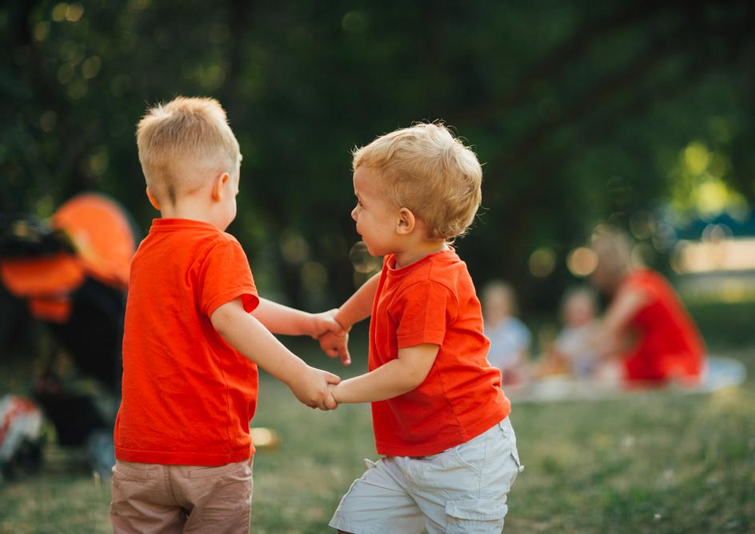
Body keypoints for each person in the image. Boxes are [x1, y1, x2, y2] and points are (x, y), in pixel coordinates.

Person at [111, 97, 343, 533]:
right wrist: (299, 374)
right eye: (235, 189)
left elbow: (239, 306)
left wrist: (310, 322)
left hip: (138, 457)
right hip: (209, 454)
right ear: (222, 186)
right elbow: (231, 318)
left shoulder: (146, 254)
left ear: (151, 195)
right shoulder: (217, 247)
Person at [318, 123, 523, 534]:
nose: (354, 213)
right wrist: (342, 318)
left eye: (361, 204)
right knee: (355, 525)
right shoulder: (407, 261)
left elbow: (410, 372)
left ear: (404, 221)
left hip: (464, 456)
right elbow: (382, 285)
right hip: (414, 453)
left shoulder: (432, 283)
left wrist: (338, 393)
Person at [590, 228, 705, 386]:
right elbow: (624, 341)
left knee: (606, 375)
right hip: (649, 356)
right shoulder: (637, 285)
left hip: (672, 357)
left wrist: (572, 351)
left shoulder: (637, 288)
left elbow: (607, 330)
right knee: (605, 373)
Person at [543, 286, 602, 379]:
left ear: (592, 311)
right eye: (574, 312)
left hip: (592, 370)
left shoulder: (594, 327)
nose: (577, 316)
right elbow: (560, 349)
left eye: (581, 312)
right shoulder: (568, 331)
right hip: (570, 372)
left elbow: (594, 348)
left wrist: (571, 354)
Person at [481, 280, 532, 387]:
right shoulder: (480, 329)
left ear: (508, 307)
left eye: (498, 306)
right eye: (490, 306)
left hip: (512, 380)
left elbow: (523, 358)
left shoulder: (517, 329)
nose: (493, 310)